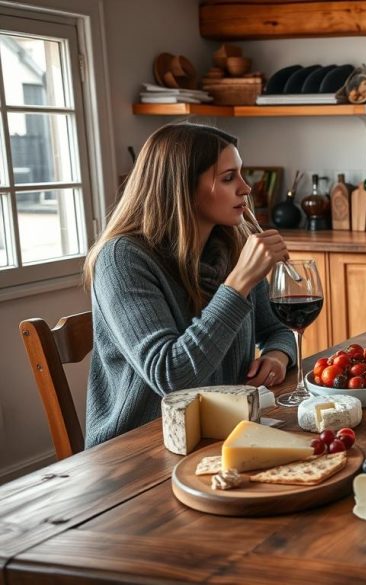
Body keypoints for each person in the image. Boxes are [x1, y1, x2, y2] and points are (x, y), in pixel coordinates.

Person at [82, 123, 296, 446]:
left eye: (241, 173)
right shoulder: (121, 261)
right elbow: (171, 377)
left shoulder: (231, 245)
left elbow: (278, 328)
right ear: (182, 188)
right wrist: (238, 284)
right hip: (139, 451)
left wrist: (278, 356)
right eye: (228, 178)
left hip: (219, 436)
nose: (245, 188)